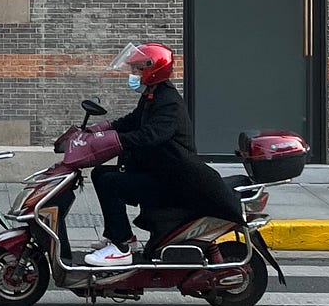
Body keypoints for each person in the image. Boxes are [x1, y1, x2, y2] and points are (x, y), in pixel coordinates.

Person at [84, 40, 247, 268]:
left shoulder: (168, 103)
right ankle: (120, 235)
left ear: (153, 70)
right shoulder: (153, 95)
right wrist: (100, 130)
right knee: (100, 174)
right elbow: (132, 120)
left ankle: (121, 248)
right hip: (160, 171)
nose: (133, 74)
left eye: (137, 69)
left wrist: (113, 141)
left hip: (174, 180)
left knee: (112, 183)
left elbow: (150, 136)